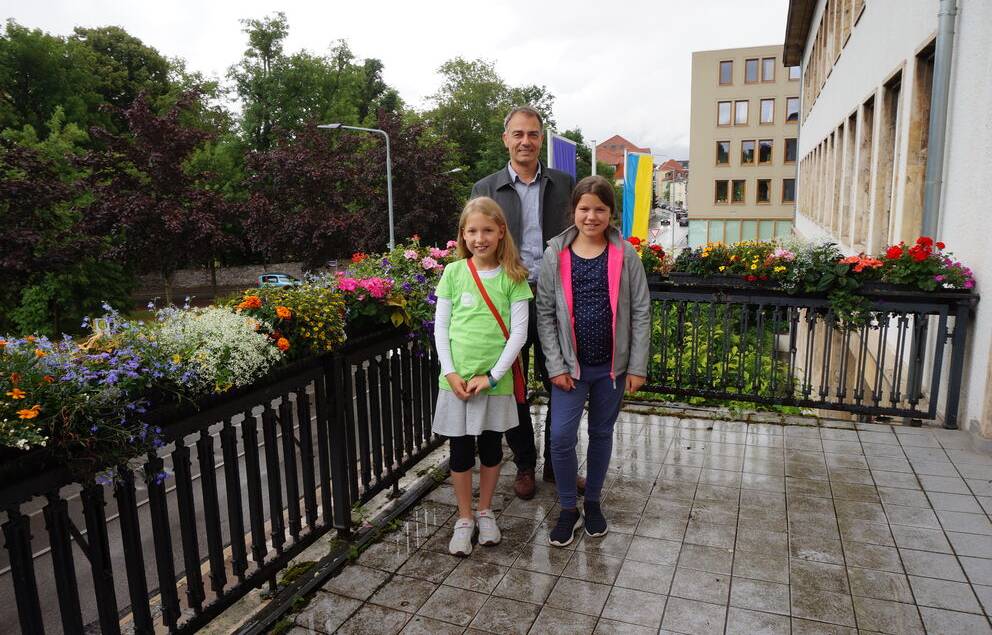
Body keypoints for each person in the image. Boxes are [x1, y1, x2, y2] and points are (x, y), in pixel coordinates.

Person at [536, 175, 651, 546]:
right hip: (570, 369)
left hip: (612, 369)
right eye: (584, 208)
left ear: (611, 214)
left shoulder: (625, 254)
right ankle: (568, 507)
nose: (591, 216)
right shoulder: (557, 253)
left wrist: (636, 366)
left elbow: (641, 311)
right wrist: (555, 365)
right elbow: (545, 313)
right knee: (561, 437)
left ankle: (594, 501)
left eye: (599, 209)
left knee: (601, 434)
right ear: (574, 211)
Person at [471, 105, 577, 500]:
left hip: (555, 301)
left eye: (532, 134)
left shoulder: (565, 184)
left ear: (541, 139)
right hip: (508, 301)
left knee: (561, 384)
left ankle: (557, 464)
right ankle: (525, 464)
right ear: (506, 140)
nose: (525, 142)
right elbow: (474, 249)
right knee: (512, 387)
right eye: (518, 134)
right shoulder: (485, 189)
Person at [432, 196, 533, 556]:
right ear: (462, 234)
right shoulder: (454, 273)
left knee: (491, 448)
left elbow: (518, 334)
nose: (480, 238)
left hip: (494, 383)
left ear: (500, 231)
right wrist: (451, 371)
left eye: (487, 230)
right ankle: (464, 517)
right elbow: (441, 328)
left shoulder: (514, 277)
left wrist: (491, 376)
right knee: (459, 451)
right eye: (472, 231)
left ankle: (486, 510)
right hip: (457, 384)